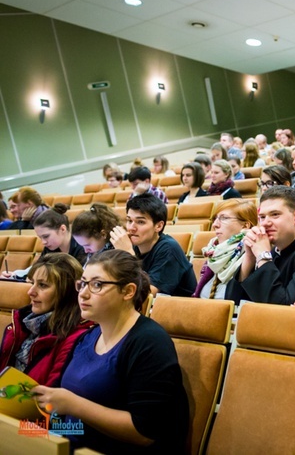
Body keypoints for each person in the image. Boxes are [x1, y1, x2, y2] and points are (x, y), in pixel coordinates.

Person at [33, 250, 189, 454]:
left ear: (128, 291)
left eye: (97, 285)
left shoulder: (150, 342)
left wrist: (73, 405)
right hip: (71, 445)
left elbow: (145, 433)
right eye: (83, 283)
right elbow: (70, 423)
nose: (84, 293)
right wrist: (36, 431)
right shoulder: (86, 337)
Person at [0, 254, 94, 386]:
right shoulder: (22, 323)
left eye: (43, 285)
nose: (30, 292)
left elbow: (50, 399)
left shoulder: (76, 337)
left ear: (67, 291)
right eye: (32, 283)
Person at [230, 186, 295, 305]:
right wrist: (249, 257)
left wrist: (263, 256)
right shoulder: (273, 251)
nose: (265, 223)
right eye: (262, 217)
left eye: (275, 214)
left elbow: (282, 309)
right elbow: (234, 303)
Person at [109, 194, 196, 296]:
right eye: (129, 221)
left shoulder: (169, 249)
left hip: (179, 309)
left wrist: (128, 253)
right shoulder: (134, 245)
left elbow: (147, 294)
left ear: (158, 226)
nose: (131, 228)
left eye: (140, 222)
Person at [192, 199, 256, 302]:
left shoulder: (253, 256)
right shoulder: (216, 252)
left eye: (224, 218)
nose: (215, 225)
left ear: (245, 226)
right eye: (215, 219)